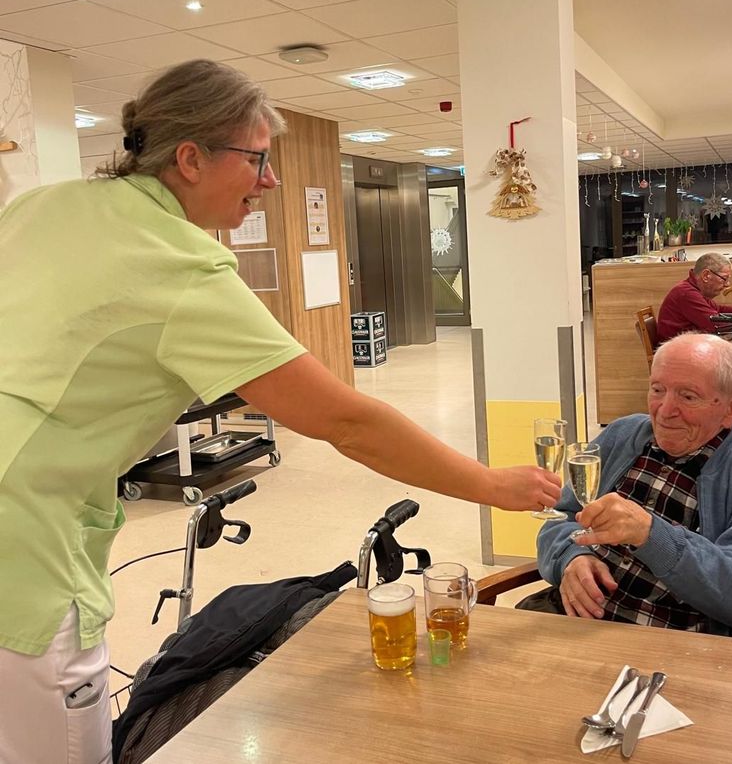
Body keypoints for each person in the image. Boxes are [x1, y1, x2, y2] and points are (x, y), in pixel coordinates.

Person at [0, 60, 561, 764]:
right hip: (23, 545)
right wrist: (489, 485)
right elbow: (345, 422)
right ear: (190, 158)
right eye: (257, 159)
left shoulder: (40, 207)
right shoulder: (179, 265)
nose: (270, 181)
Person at [536, 333, 732, 639]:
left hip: (676, 645)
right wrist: (571, 556)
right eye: (657, 389)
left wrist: (651, 535)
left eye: (688, 396)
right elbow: (562, 517)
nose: (664, 410)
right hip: (576, 624)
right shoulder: (623, 435)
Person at [656, 253, 732, 342]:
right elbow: (716, 324)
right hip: (680, 355)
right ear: (706, 276)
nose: (727, 284)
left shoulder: (692, 289)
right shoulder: (686, 293)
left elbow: (718, 311)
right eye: (724, 278)